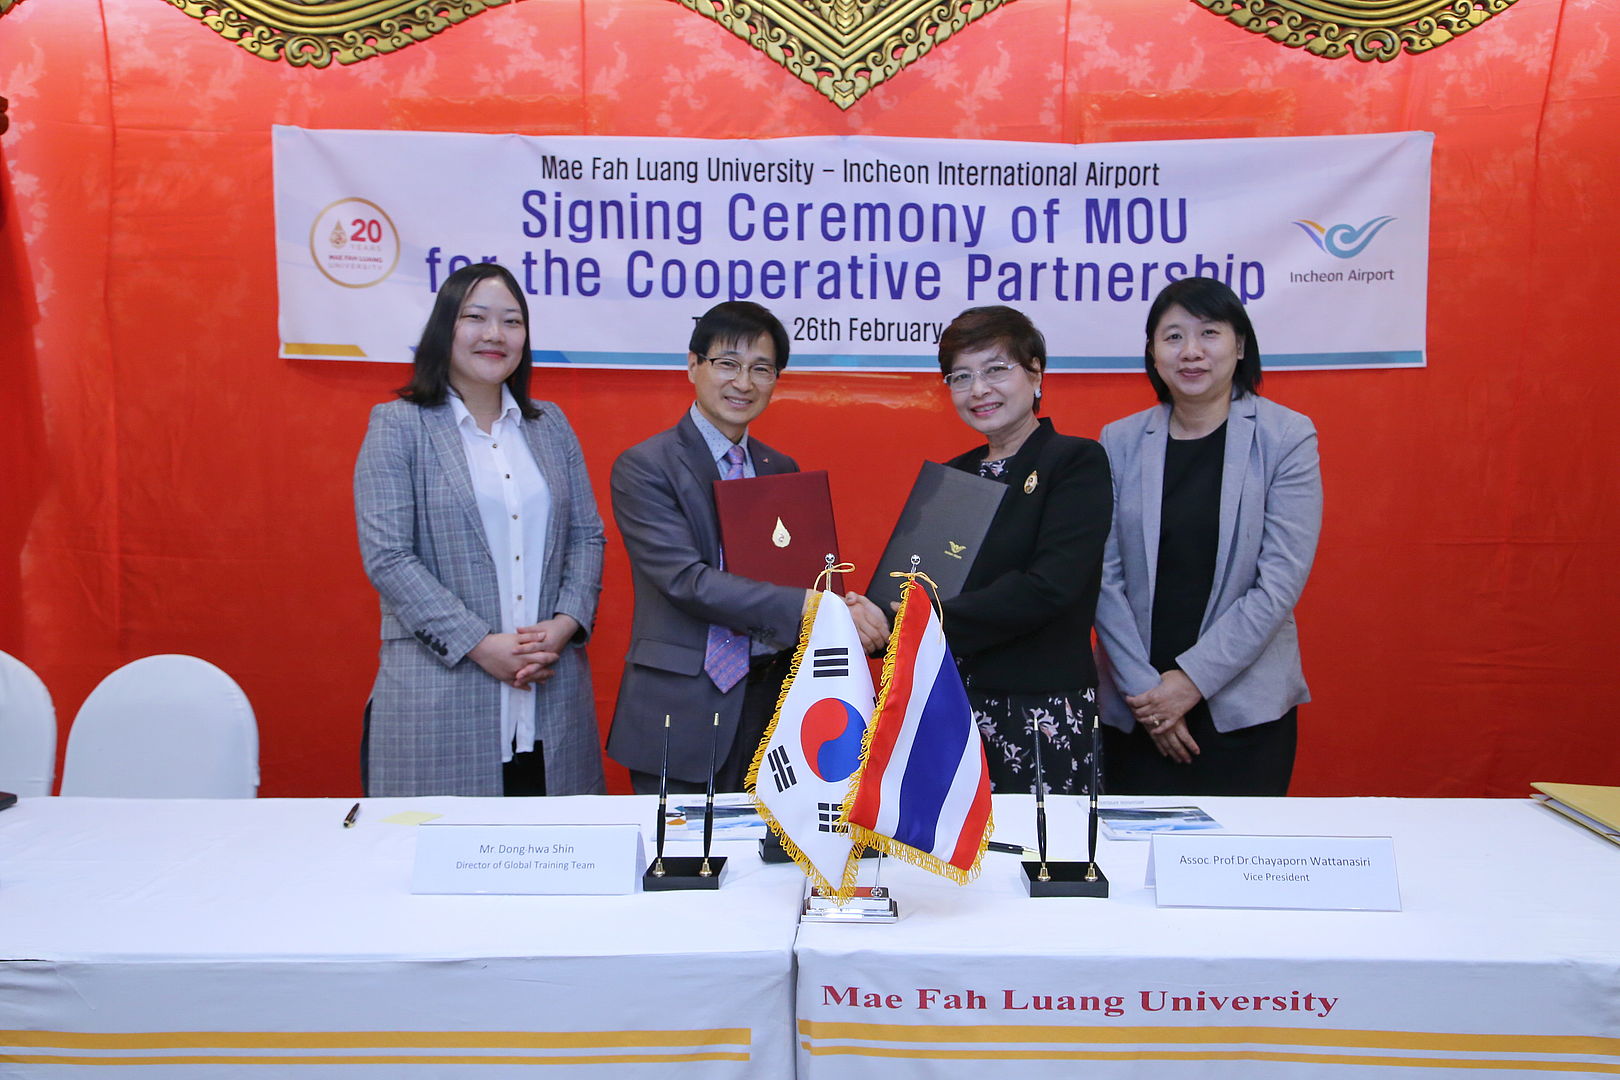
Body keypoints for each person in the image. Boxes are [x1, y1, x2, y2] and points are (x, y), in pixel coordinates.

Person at [606, 301, 888, 794]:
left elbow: (800, 577)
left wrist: (838, 607)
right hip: (682, 706)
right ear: (694, 365)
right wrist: (814, 607)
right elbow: (684, 581)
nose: (744, 382)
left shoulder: (779, 466)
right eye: (728, 364)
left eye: (762, 369)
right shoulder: (645, 466)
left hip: (776, 704)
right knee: (683, 861)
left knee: (773, 862)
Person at [354, 262, 606, 797]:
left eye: (512, 322)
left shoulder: (551, 426)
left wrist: (564, 624)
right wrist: (479, 644)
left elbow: (587, 536)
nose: (495, 334)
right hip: (440, 697)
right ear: (444, 328)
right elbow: (389, 558)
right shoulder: (398, 426)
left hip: (551, 694)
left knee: (557, 865)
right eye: (476, 318)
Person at [1095, 276, 1322, 796]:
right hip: (1138, 711)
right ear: (1152, 353)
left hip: (1242, 712)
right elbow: (1103, 580)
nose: (1191, 352)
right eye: (1173, 337)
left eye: (1210, 333)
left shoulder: (1285, 437)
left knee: (1237, 868)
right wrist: (1150, 694)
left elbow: (1279, 583)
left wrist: (1190, 681)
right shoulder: (1120, 440)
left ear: (1239, 345)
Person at [933, 306, 1113, 795]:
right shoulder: (954, 475)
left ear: (1035, 373)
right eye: (961, 376)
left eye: (996, 369)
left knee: (1040, 861)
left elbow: (1049, 587)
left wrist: (918, 616)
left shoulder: (1075, 461)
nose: (979, 390)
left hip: (1041, 712)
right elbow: (923, 578)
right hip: (953, 707)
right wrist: (878, 615)